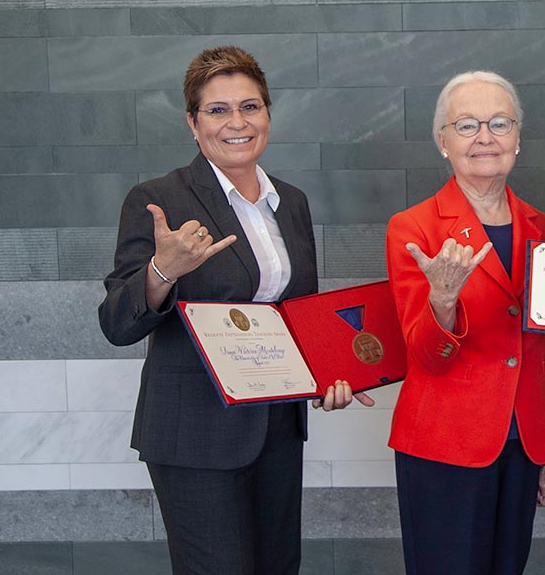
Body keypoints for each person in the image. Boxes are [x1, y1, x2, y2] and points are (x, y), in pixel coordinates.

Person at [98, 45, 369, 574]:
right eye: (218, 110)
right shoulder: (159, 199)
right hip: (196, 433)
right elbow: (116, 322)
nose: (236, 122)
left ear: (267, 114)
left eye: (250, 106)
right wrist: (164, 270)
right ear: (193, 124)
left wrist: (331, 372)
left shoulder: (289, 201)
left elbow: (297, 313)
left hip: (276, 426)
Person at [385, 71, 545, 575]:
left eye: (499, 123)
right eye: (467, 125)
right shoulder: (414, 228)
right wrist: (442, 300)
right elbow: (424, 355)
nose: (485, 137)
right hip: (445, 444)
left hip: (525, 441)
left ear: (517, 138)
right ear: (443, 142)